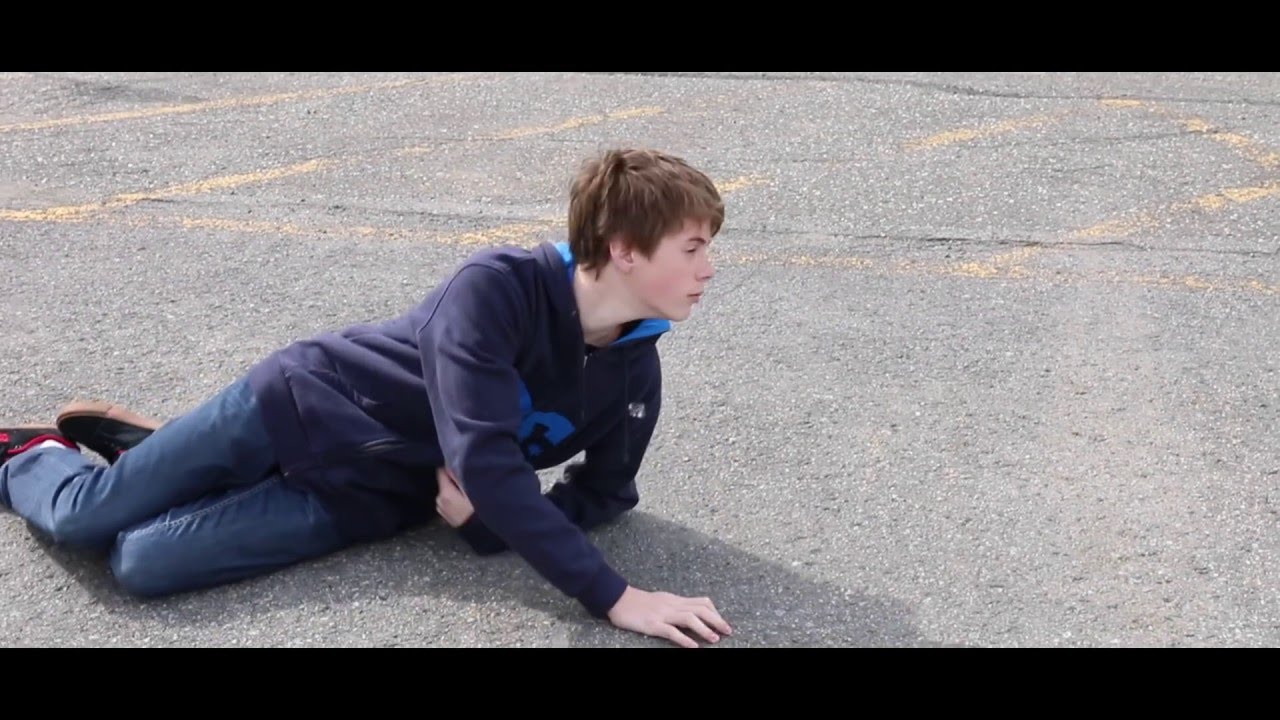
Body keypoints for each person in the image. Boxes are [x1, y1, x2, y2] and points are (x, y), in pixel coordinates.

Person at [0, 147, 733, 648]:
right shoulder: (496, 290)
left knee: (138, 564)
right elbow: (483, 458)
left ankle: (161, 454)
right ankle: (36, 454)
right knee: (80, 518)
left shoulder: (634, 374)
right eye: (693, 248)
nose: (709, 269)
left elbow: (606, 495)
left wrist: (491, 527)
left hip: (362, 498)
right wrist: (615, 597)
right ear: (623, 249)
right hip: (293, 409)